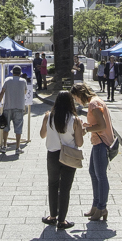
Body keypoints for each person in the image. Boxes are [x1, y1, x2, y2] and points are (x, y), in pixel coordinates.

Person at [40, 91, 85, 230]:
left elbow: (42, 135)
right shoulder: (75, 120)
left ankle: (52, 216)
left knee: (53, 184)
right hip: (69, 156)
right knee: (65, 188)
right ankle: (62, 220)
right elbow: (79, 143)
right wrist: (81, 130)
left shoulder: (48, 116)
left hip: (53, 154)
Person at [71, 82, 114, 222]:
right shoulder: (96, 101)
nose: (76, 101)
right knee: (93, 173)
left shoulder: (93, 104)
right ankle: (96, 205)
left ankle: (102, 207)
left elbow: (102, 125)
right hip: (98, 142)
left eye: (76, 98)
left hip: (101, 142)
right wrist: (88, 125)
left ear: (80, 95)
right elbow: (99, 123)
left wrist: (87, 129)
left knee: (100, 175)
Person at [0, 66, 28, 154]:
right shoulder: (23, 81)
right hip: (19, 107)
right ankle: (17, 148)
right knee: (18, 128)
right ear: (20, 73)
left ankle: (4, 146)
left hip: (8, 107)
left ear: (12, 72)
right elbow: (25, 92)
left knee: (5, 127)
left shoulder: (7, 80)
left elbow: (2, 92)